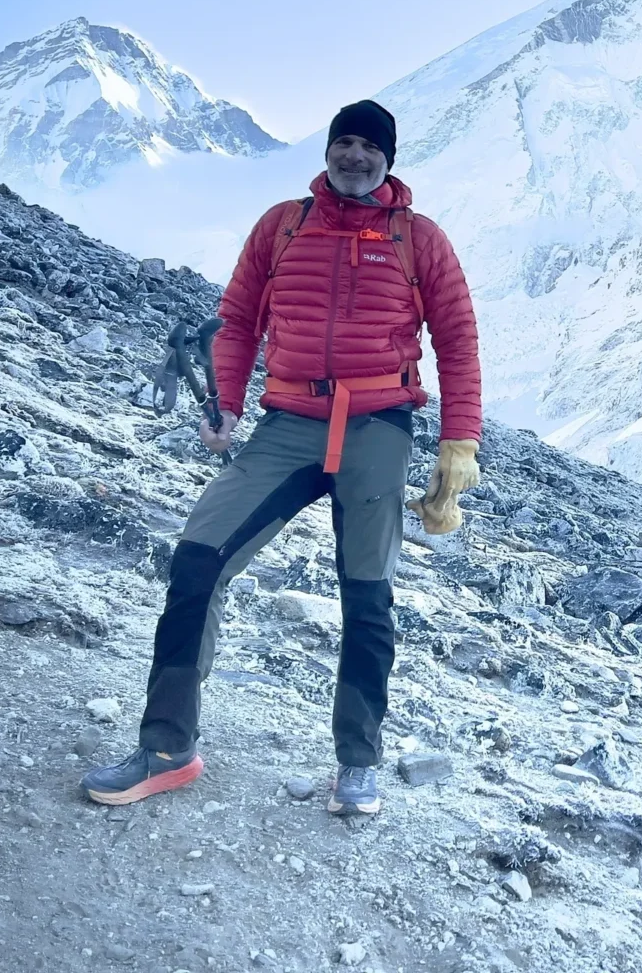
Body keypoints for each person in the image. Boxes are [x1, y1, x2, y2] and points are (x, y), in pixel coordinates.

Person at [81, 99, 482, 816]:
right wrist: (227, 405)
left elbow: (457, 340)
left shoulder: (418, 239)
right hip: (289, 422)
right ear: (329, 151)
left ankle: (358, 763)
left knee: (368, 596)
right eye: (344, 143)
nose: (354, 156)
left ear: (389, 160)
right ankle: (168, 748)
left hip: (377, 424)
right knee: (199, 556)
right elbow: (237, 320)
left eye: (369, 146)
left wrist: (459, 442)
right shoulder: (283, 225)